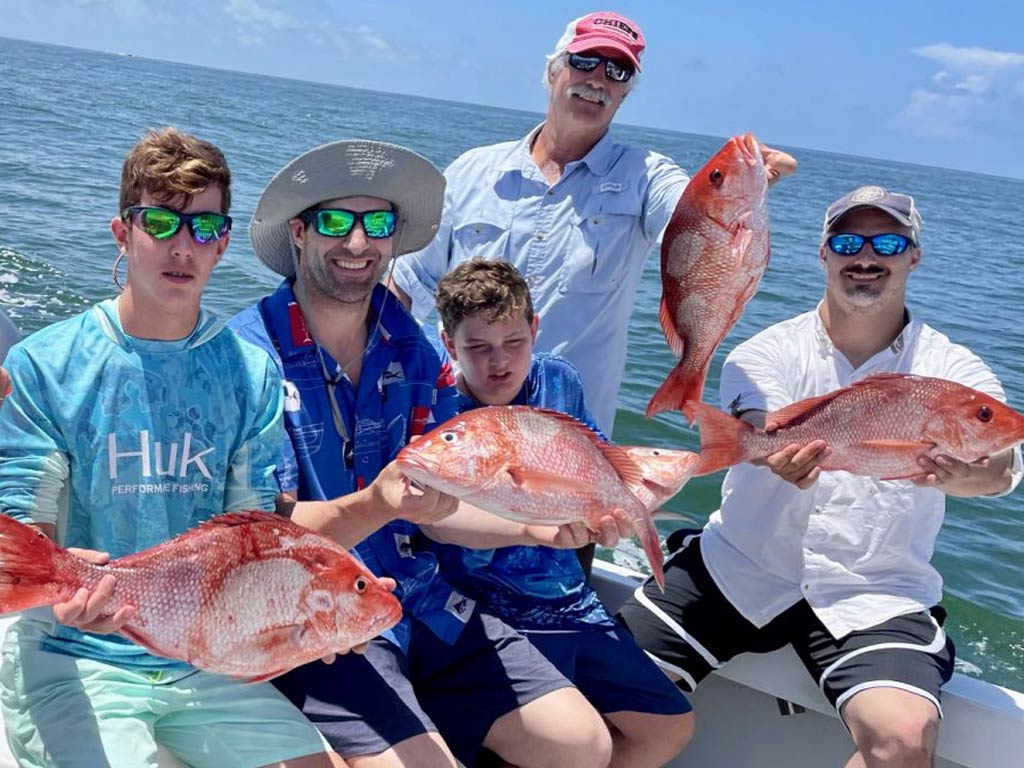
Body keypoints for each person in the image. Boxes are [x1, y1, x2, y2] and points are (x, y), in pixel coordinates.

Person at [229, 140, 612, 768]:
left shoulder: (414, 350)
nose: (358, 243)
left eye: (377, 223)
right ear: (298, 232)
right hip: (317, 617)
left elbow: (437, 505)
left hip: (423, 602)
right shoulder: (248, 359)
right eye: (335, 221)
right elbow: (264, 532)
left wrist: (541, 529)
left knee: (582, 745)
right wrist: (378, 503)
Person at [617, 185, 1024, 768]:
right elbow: (755, 419)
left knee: (903, 741)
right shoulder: (765, 351)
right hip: (739, 566)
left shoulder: (953, 370)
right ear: (824, 254)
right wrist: (766, 448)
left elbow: (1003, 468)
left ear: (914, 255)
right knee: (605, 685)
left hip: (874, 587)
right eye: (847, 241)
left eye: (888, 241)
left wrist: (966, 475)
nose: (866, 256)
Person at [0, 128, 346, 768]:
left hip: (202, 658)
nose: (183, 245)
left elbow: (252, 533)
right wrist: (61, 584)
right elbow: (27, 516)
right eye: (160, 221)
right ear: (122, 232)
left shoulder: (250, 373)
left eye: (204, 227)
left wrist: (309, 608)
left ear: (223, 242)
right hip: (70, 652)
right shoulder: (45, 366)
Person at [389, 10, 797, 439]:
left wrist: (743, 189)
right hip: (456, 428)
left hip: (571, 442)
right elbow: (406, 285)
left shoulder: (646, 177)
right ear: (552, 71)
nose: (599, 79)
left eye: (617, 71)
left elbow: (693, 217)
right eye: (584, 62)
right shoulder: (472, 172)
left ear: (624, 95)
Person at [416, 258, 694, 768]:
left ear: (535, 329)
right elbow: (433, 517)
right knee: (577, 744)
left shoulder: (561, 381)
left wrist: (617, 510)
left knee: (668, 727)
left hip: (568, 601)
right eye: (477, 348)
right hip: (481, 608)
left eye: (514, 343)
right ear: (449, 343)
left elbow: (594, 470)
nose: (499, 363)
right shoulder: (434, 406)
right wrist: (535, 529)